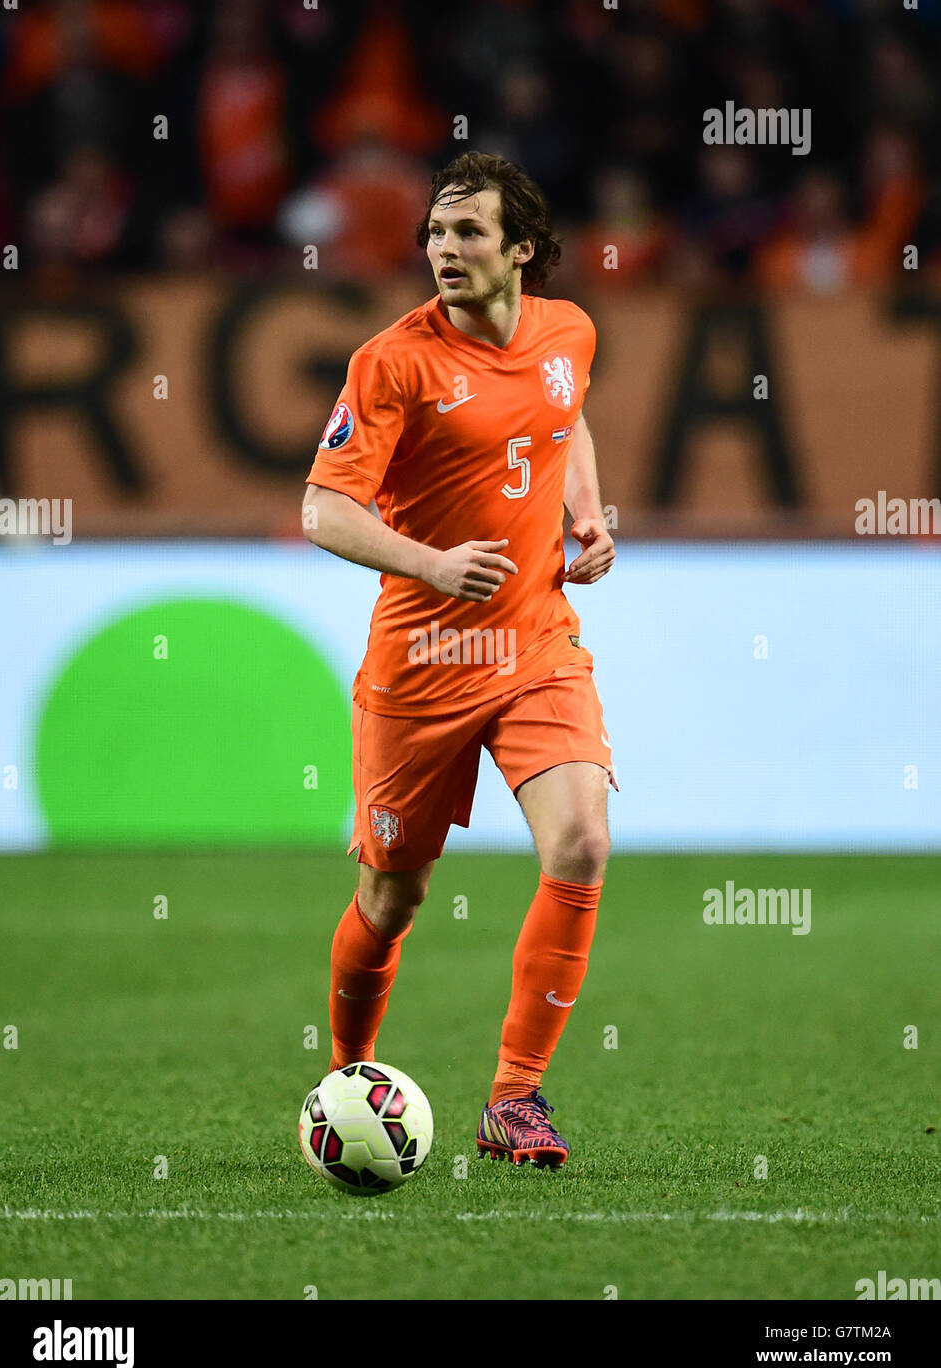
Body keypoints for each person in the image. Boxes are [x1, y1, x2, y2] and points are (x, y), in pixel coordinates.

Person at [303, 151, 616, 1168]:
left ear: (521, 247)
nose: (445, 249)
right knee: (392, 898)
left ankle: (515, 1099)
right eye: (436, 234)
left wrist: (586, 515)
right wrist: (431, 562)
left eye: (468, 232)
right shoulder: (390, 362)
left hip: (534, 644)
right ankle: (351, 1074)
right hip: (422, 660)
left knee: (579, 844)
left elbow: (562, 418)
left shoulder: (569, 330)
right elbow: (323, 508)